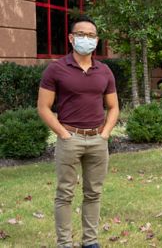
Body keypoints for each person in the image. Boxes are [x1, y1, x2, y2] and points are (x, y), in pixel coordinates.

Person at [37, 15, 119, 248]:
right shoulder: (56, 69)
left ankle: (90, 241)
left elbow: (113, 107)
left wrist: (105, 134)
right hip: (69, 138)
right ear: (71, 38)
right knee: (65, 194)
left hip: (97, 140)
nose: (87, 39)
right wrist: (63, 134)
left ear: (97, 40)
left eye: (91, 36)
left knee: (93, 193)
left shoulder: (104, 71)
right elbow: (43, 108)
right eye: (82, 35)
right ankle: (64, 243)